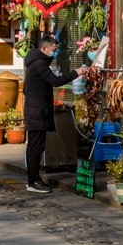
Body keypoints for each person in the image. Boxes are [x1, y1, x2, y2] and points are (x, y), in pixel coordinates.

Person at [23, 36, 87, 194]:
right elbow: (55, 81)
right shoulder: (39, 64)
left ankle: (33, 178)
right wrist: (76, 72)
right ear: (44, 49)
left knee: (35, 146)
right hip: (37, 111)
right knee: (36, 147)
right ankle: (33, 180)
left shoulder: (33, 63)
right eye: (53, 50)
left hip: (35, 109)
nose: (55, 53)